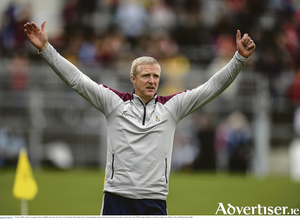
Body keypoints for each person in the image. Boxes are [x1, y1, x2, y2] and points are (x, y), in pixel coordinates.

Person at [24, 21, 255, 215]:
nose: (152, 81)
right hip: (116, 197)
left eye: (156, 76)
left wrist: (239, 60)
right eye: (146, 76)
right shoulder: (113, 102)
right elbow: (76, 79)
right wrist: (46, 48)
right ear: (133, 79)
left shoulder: (172, 107)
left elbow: (211, 88)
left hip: (154, 200)